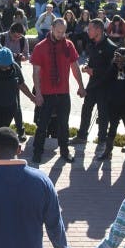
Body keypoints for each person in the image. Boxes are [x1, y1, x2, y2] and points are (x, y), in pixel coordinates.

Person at [29, 17, 85, 164]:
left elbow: (75, 67)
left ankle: (65, 151)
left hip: (63, 92)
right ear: (52, 28)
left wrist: (81, 86)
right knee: (42, 125)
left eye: (63, 32)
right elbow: (35, 73)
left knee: (63, 124)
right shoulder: (40, 47)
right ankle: (37, 151)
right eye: (58, 31)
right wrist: (38, 94)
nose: (61, 34)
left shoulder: (68, 45)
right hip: (46, 93)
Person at [73, 19, 117, 149]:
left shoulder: (111, 47)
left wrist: (95, 71)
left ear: (98, 30)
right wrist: (87, 66)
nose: (88, 31)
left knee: (103, 114)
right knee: (86, 109)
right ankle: (81, 136)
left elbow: (112, 70)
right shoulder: (91, 44)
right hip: (92, 85)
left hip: (104, 87)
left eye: (90, 29)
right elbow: (90, 59)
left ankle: (102, 140)